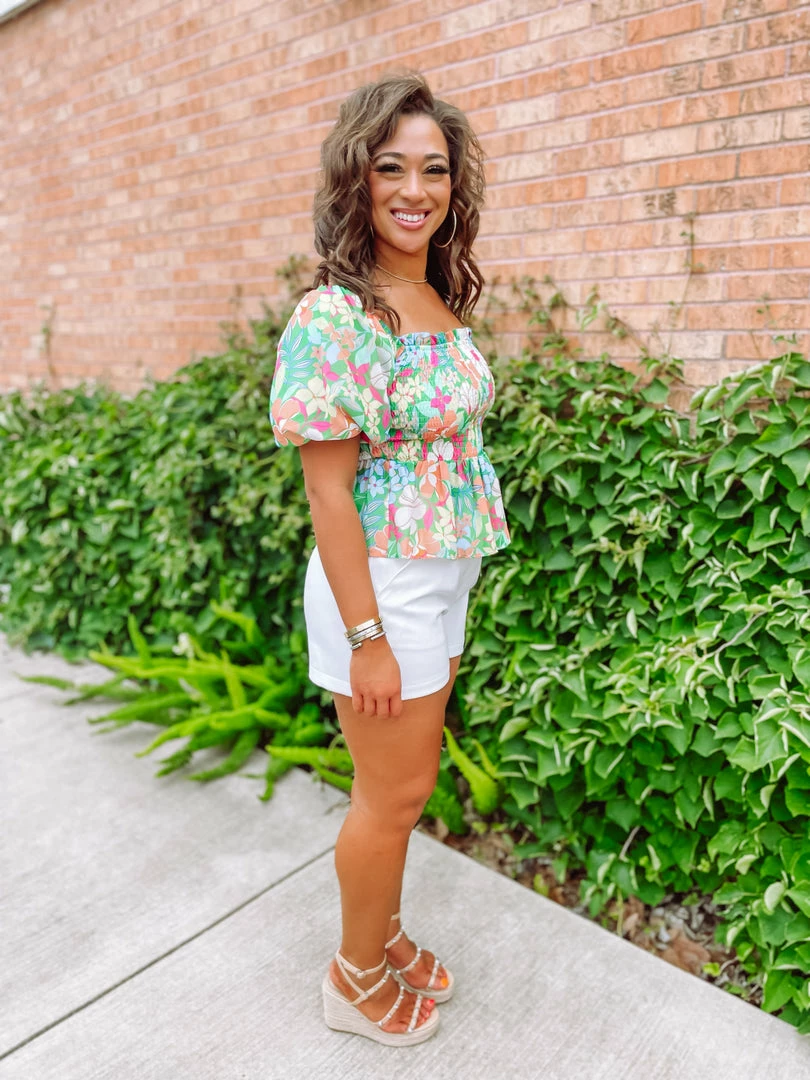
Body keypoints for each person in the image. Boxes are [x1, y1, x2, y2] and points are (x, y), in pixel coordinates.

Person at [269, 71, 511, 1046]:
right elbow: (328, 494)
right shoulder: (337, 315)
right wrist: (367, 637)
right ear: (356, 178)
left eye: (435, 170)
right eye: (392, 168)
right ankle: (353, 976)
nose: (416, 189)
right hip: (381, 585)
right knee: (392, 796)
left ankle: (387, 932)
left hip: (442, 572)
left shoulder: (431, 290)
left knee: (405, 793)